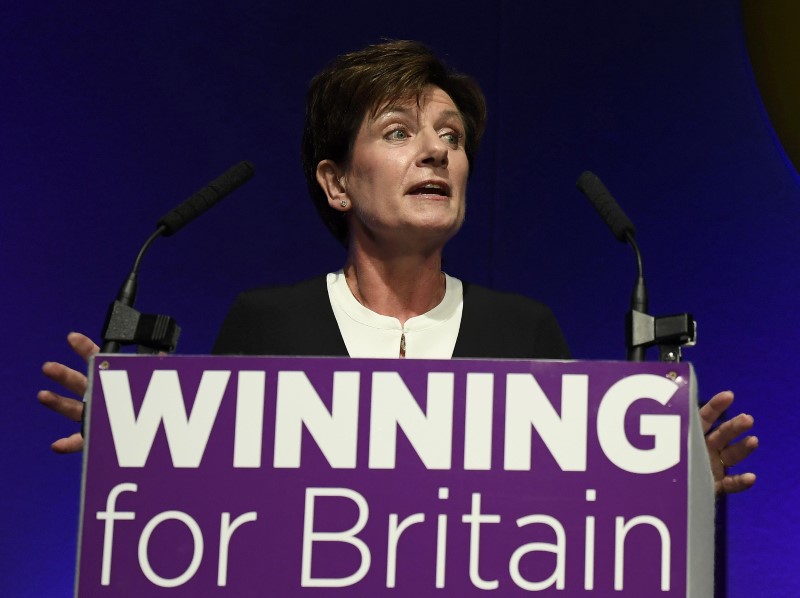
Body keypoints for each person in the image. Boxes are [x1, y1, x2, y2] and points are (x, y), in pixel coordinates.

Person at [38, 40, 757, 495]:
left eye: (451, 136)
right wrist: (141, 447)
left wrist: (670, 487)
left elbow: (571, 522)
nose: (437, 151)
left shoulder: (525, 331)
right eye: (399, 133)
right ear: (336, 183)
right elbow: (224, 515)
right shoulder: (269, 322)